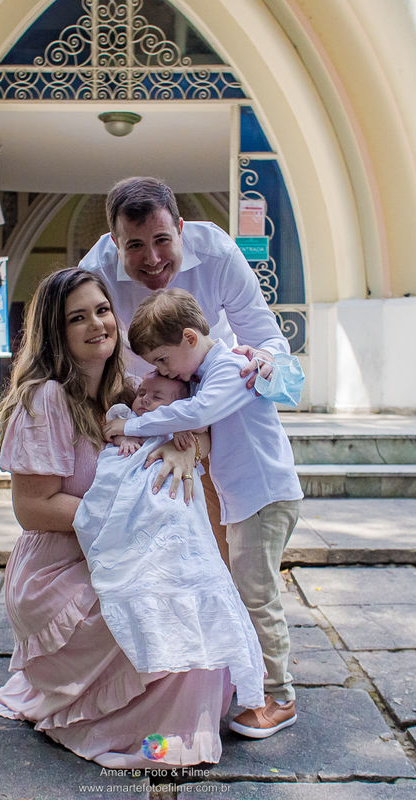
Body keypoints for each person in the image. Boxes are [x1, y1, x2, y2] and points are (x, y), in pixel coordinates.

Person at [0, 267, 233, 769]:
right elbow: (31, 508)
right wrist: (126, 524)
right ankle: (132, 729)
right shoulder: (45, 399)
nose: (97, 324)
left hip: (121, 553)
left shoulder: (135, 388)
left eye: (101, 310)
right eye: (78, 317)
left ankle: (169, 719)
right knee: (162, 606)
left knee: (197, 598)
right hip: (60, 568)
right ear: (57, 331)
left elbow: (205, 427)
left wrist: (191, 449)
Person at [104, 288, 304, 739]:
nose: (160, 371)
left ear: (190, 339)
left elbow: (198, 411)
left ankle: (280, 697)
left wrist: (131, 425)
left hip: (265, 497)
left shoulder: (231, 369)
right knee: (247, 589)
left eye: (161, 360)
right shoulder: (210, 368)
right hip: (247, 499)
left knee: (258, 595)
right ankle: (255, 680)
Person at [79, 176, 293, 562]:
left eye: (162, 240)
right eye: (135, 246)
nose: (153, 259)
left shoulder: (219, 255)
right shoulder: (95, 272)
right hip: (131, 398)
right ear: (115, 244)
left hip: (208, 406)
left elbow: (270, 340)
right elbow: (81, 349)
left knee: (218, 541)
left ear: (181, 228)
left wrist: (266, 361)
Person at [74, 371, 266, 710]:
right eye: (142, 393)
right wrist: (126, 441)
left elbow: (200, 438)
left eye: (156, 396)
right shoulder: (129, 417)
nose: (144, 399)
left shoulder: (180, 425)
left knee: (178, 521)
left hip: (170, 492)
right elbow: (113, 431)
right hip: (130, 480)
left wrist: (185, 440)